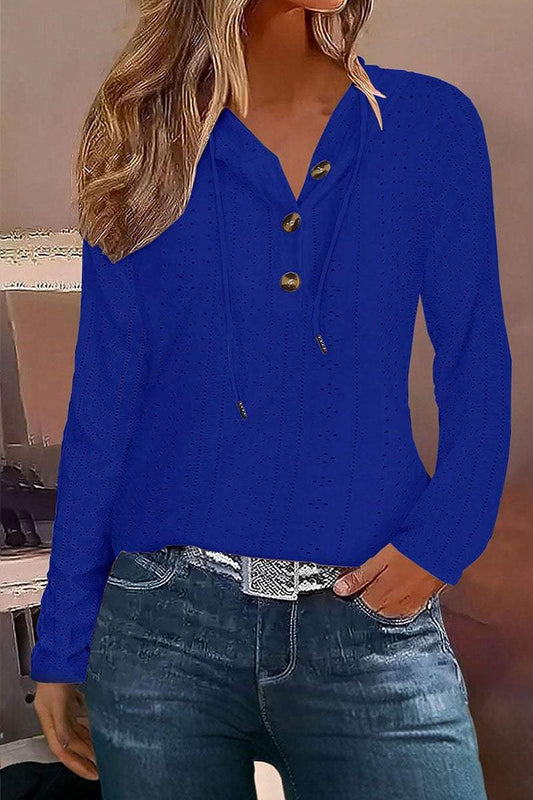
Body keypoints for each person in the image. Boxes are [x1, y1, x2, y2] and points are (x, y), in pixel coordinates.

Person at [31, 0, 512, 797]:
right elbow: (105, 404)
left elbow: (475, 356)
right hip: (160, 629)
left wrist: (443, 541)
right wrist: (63, 639)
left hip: (368, 622)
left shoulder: (428, 124)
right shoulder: (143, 134)